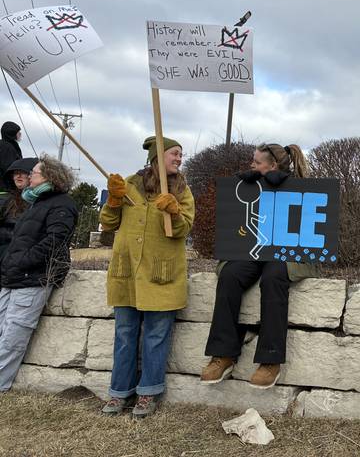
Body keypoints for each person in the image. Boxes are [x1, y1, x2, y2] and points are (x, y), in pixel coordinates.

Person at [201, 143, 317, 389]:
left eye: (256, 162)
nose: (251, 165)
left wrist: (279, 186)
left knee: (274, 276)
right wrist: (249, 185)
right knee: (231, 274)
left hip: (289, 257)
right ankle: (223, 354)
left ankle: (270, 360)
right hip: (256, 252)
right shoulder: (252, 186)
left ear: (272, 166)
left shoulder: (299, 188)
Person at [100, 136, 195, 417]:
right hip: (127, 274)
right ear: (157, 156)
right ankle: (119, 392)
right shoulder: (129, 184)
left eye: (180, 154)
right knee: (124, 335)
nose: (179, 158)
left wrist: (174, 212)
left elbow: (184, 229)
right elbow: (108, 223)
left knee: (156, 336)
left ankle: (148, 393)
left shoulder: (182, 190)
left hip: (162, 275)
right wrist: (114, 200)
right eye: (174, 153)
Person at [0, 155, 77, 391]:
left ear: (49, 177)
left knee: (13, 335)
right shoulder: (35, 203)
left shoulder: (62, 204)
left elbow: (55, 241)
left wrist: (22, 261)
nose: (29, 176)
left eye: (34, 173)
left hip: (33, 279)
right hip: (13, 276)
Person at [0, 158, 37, 258]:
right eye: (15, 173)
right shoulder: (6, 200)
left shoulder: (44, 201)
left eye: (23, 172)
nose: (18, 176)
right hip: (6, 253)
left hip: (30, 255)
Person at [0, 122, 23, 193]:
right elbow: (9, 168)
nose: (20, 134)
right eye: (18, 132)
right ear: (11, 133)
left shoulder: (9, 145)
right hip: (5, 188)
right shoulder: (7, 147)